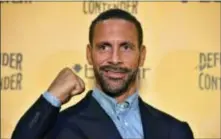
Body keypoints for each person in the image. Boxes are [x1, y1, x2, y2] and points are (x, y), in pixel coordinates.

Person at [11, 9, 194, 139]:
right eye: (104, 47)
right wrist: (51, 98)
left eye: (126, 47)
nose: (115, 59)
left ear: (142, 55)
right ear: (89, 54)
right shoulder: (60, 127)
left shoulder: (175, 131)